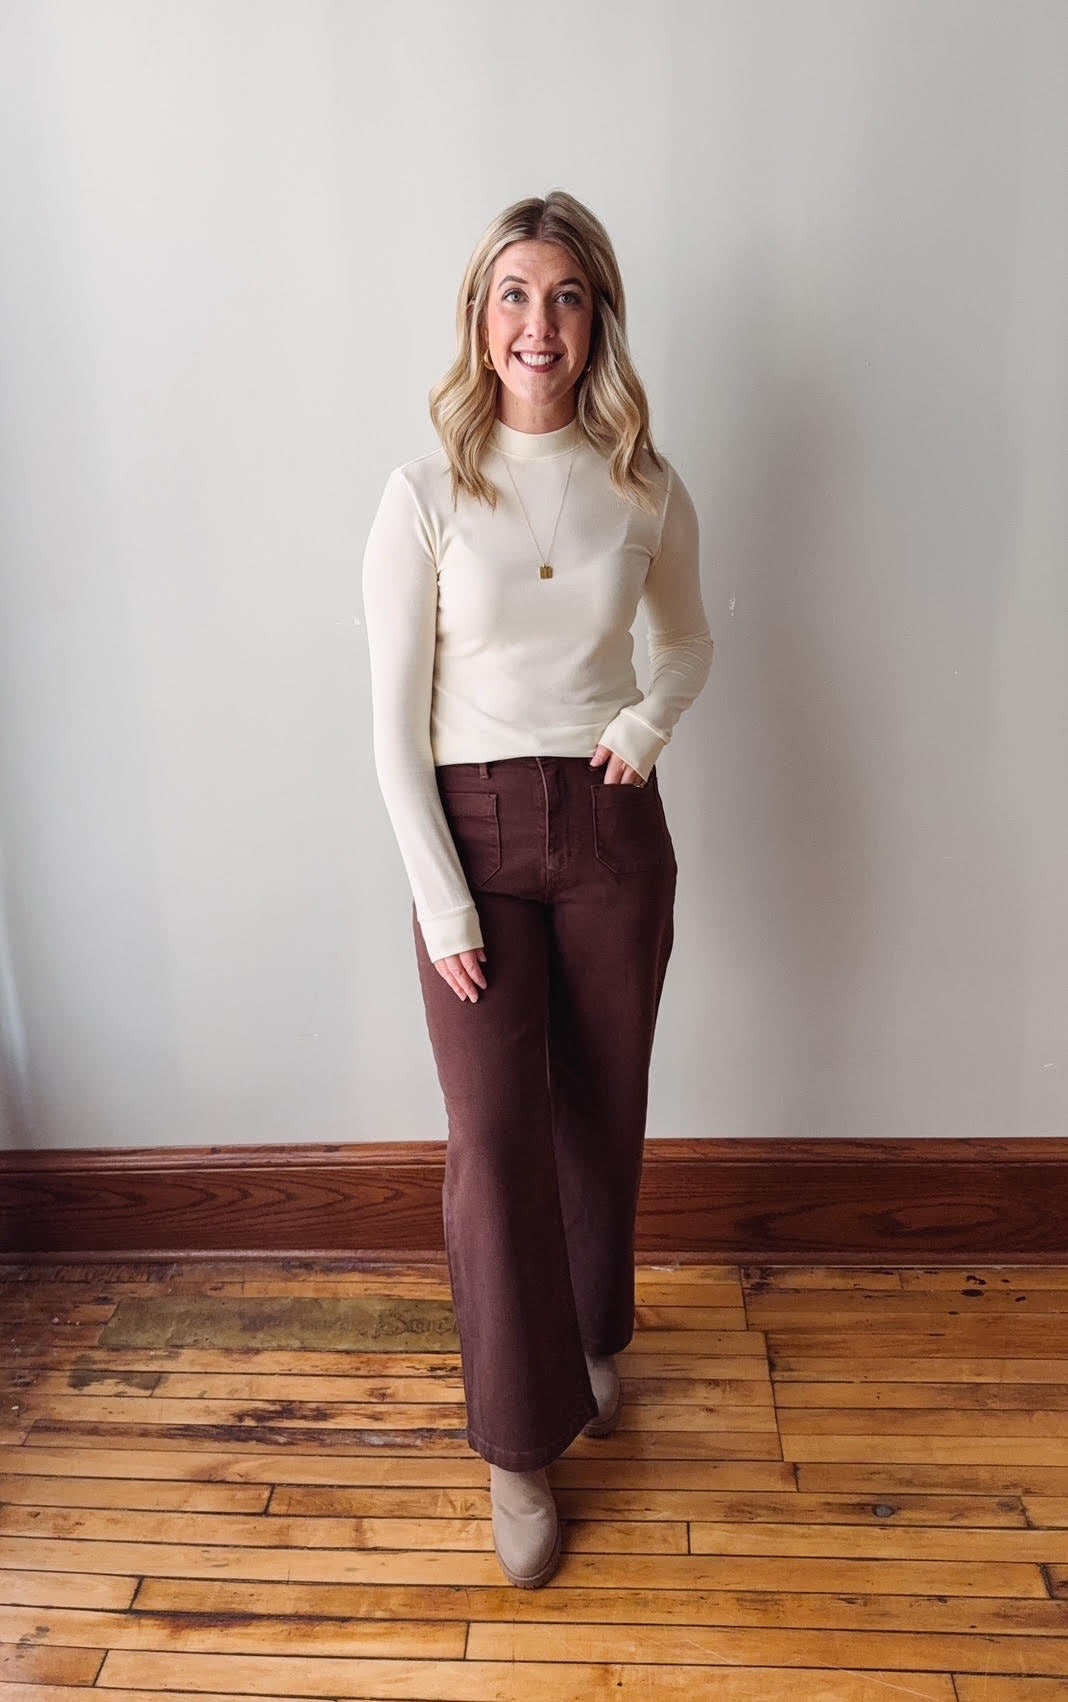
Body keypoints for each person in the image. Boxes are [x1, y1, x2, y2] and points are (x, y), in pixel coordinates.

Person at [361, 189, 714, 1588]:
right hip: (475, 836)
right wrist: (442, 901)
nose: (539, 323)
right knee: (495, 1137)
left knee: (602, 1107)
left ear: (598, 319)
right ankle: (518, 1444)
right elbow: (392, 728)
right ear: (479, 316)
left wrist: (645, 724)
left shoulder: (646, 484)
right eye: (515, 293)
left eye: (566, 295)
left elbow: (685, 644)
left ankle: (589, 1332)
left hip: (614, 828)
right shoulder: (425, 494)